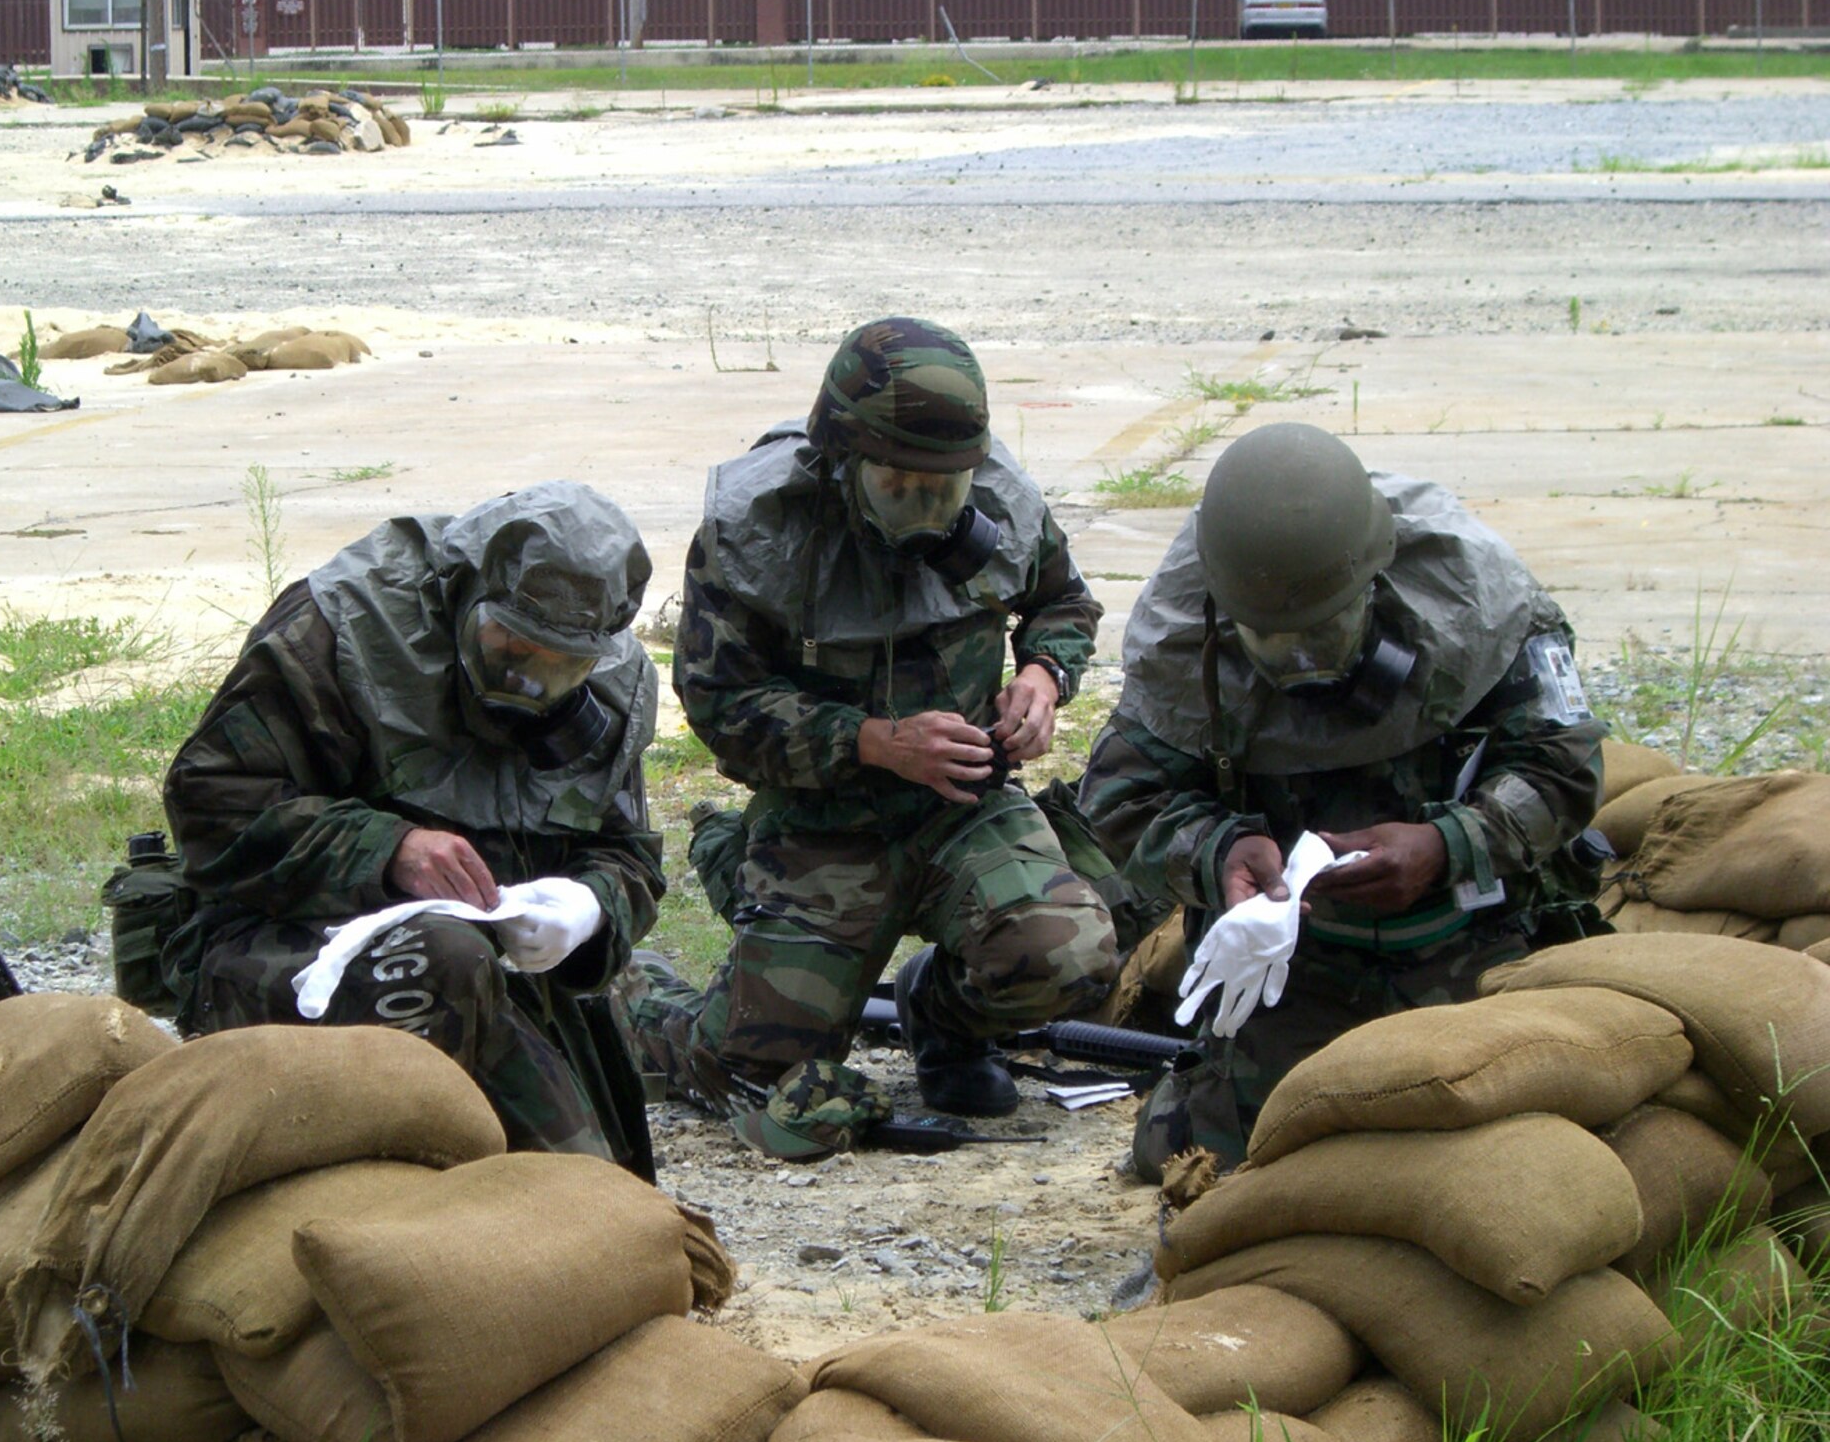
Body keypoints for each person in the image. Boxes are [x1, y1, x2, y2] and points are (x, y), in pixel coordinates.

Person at [616, 316, 1120, 1124]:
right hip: (825, 819)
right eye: (900, 488)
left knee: (1070, 957)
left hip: (962, 808)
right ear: (843, 459)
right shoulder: (758, 531)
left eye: (943, 490)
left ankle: (945, 1019)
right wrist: (872, 741)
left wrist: (1043, 675)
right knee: (751, 1073)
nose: (927, 511)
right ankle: (637, 981)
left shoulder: (999, 504)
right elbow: (721, 704)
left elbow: (1062, 600)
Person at [1079, 423, 1607, 1168]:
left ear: (1374, 582)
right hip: (1294, 965)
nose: (1301, 662)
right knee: (1233, 1157)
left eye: (1323, 634)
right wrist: (1221, 852)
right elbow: (1121, 796)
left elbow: (1565, 765)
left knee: (1519, 1146)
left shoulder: (1477, 601)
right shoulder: (1181, 639)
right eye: (1274, 639)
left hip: (1471, 937)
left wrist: (1451, 844)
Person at [161, 482, 665, 1172]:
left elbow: (628, 855)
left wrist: (587, 910)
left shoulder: (610, 685)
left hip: (490, 978)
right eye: (508, 649)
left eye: (559, 668)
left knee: (604, 1206)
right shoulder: (341, 629)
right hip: (284, 940)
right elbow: (209, 802)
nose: (526, 685)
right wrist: (388, 849)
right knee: (441, 962)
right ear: (464, 593)